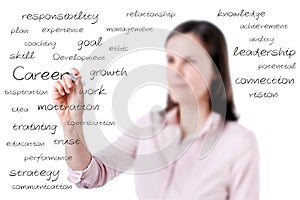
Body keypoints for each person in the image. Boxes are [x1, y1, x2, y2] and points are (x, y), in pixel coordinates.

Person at [52, 20, 259, 200]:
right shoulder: (150, 126)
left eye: (189, 61)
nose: (175, 71)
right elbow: (91, 176)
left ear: (214, 70)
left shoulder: (239, 143)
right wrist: (71, 124)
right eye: (171, 60)